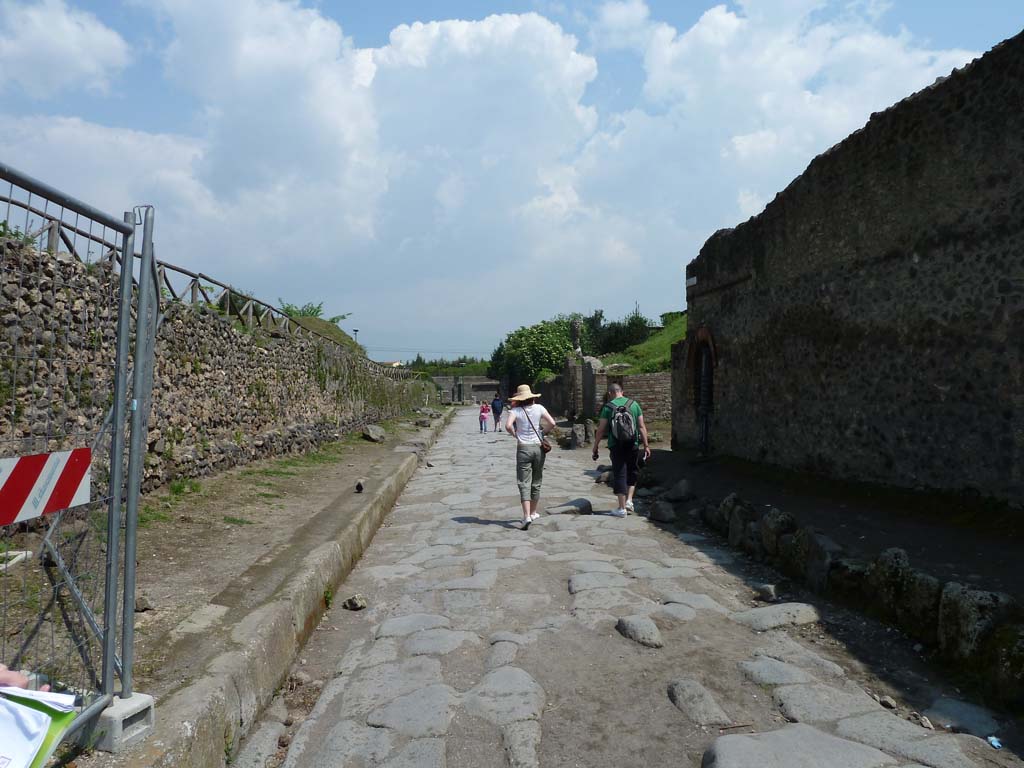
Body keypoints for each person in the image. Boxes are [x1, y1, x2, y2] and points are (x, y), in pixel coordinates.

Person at [592, 383, 651, 517]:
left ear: (609, 393)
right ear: (622, 392)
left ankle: (621, 508)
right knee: (632, 470)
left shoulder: (608, 407)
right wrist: (646, 445)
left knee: (619, 473)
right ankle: (629, 500)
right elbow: (641, 426)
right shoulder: (634, 404)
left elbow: (601, 430)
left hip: (615, 445)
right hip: (633, 443)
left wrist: (595, 446)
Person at [505, 384, 557, 530]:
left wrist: (516, 435)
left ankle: (526, 515)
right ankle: (533, 512)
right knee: (537, 479)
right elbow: (552, 423)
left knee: (523, 482)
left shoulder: (515, 410)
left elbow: (508, 426)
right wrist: (543, 433)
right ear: (532, 397)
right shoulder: (539, 408)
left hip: (523, 448)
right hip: (538, 447)